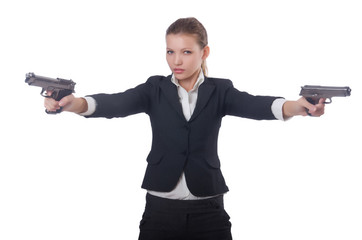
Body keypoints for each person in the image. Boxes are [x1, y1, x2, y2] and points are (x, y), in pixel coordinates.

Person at [44, 17, 325, 240]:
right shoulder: (154, 88)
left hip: (209, 211)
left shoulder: (220, 90)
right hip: (160, 211)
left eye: (186, 52)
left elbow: (257, 106)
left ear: (205, 52)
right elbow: (115, 103)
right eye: (170, 51)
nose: (176, 61)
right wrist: (73, 103)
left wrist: (299, 106)